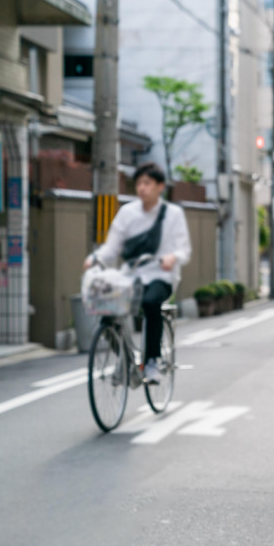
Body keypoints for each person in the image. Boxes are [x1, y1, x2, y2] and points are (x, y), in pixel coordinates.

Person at [84, 162, 191, 384]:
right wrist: (96, 258)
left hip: (161, 275)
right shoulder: (127, 213)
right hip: (130, 275)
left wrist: (173, 257)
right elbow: (112, 247)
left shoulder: (172, 214)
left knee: (151, 303)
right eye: (139, 183)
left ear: (160, 186)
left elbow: (184, 248)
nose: (142, 188)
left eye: (147, 183)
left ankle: (151, 361)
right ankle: (124, 357)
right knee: (105, 307)